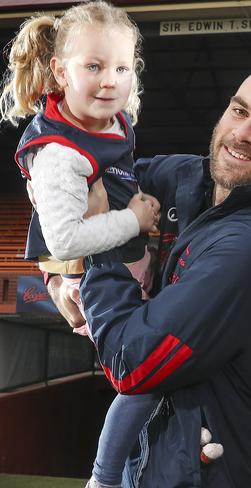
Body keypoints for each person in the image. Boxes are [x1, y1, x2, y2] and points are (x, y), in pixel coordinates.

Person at [53, 64, 251, 487]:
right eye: (239, 110)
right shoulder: (188, 176)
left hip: (218, 474)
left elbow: (132, 366)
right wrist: (59, 271)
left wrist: (99, 248)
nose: (244, 132)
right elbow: (74, 178)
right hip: (157, 458)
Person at [0, 3, 173, 487]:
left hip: (122, 266)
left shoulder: (112, 122)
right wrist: (133, 217)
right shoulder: (58, 153)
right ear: (59, 70)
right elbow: (66, 238)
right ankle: (104, 478)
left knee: (163, 374)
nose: (110, 80)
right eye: (93, 66)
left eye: (121, 67)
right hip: (91, 276)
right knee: (146, 379)